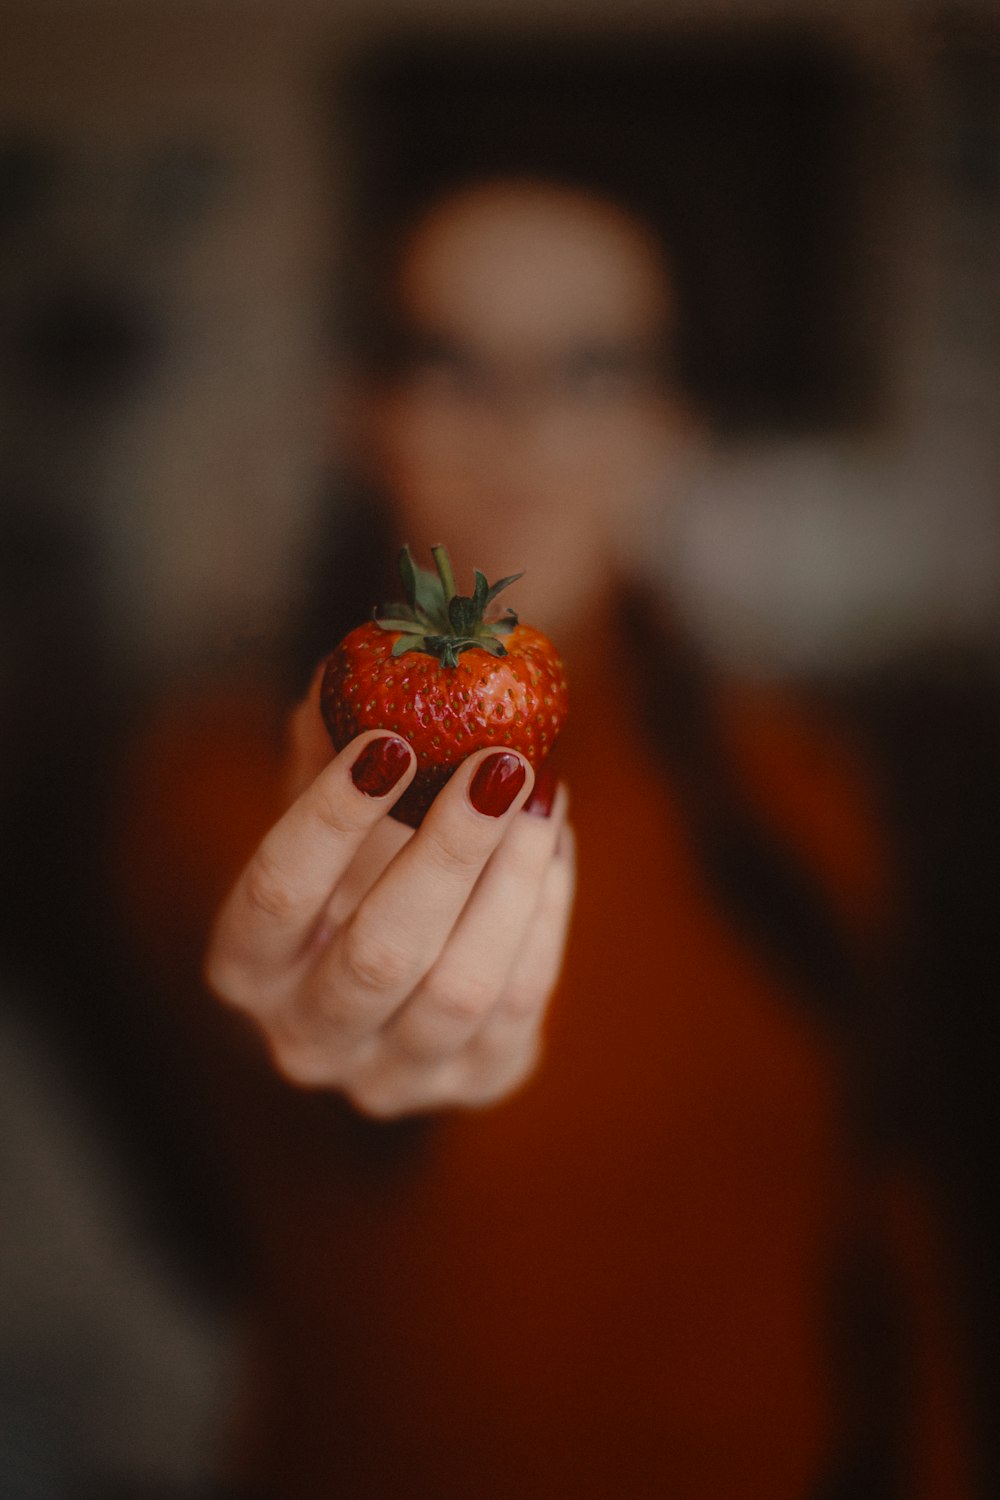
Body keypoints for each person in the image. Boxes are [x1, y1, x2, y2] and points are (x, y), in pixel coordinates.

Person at [122, 174, 974, 1498]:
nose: (520, 431)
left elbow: (878, 1202)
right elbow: (275, 1011)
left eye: (589, 368)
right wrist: (362, 1045)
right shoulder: (235, 779)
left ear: (669, 422)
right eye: (453, 363)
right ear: (366, 410)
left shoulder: (799, 779)